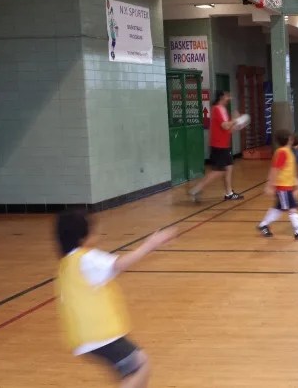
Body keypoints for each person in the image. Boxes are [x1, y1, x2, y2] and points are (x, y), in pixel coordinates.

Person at [55, 210, 179, 388]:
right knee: (140, 366)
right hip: (99, 335)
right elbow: (119, 264)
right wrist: (151, 244)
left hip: (85, 336)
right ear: (82, 238)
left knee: (132, 370)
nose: (97, 235)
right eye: (93, 231)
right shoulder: (87, 258)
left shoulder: (66, 264)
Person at [257, 129, 298, 239]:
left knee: (278, 209)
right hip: (283, 187)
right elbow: (275, 170)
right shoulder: (283, 152)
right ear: (288, 139)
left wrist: (294, 181)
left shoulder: (287, 151)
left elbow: (286, 170)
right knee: (292, 208)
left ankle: (263, 225)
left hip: (287, 186)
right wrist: (270, 185)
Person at [188, 91, 244, 202]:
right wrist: (235, 119)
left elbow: (228, 129)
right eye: (228, 96)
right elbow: (225, 125)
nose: (229, 98)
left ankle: (229, 193)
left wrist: (237, 125)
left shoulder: (223, 110)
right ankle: (196, 189)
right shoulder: (217, 109)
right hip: (219, 145)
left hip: (225, 145)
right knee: (219, 170)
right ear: (222, 97)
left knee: (228, 167)